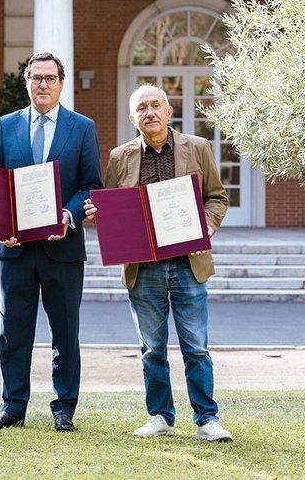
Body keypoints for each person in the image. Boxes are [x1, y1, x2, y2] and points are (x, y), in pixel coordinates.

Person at [83, 84, 231, 441]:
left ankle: (207, 419)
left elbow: (217, 197)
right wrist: (95, 216)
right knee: (151, 349)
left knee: (195, 346)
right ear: (132, 118)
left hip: (187, 263)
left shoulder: (197, 148)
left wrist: (207, 227)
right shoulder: (121, 157)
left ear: (169, 111)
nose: (149, 113)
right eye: (141, 108)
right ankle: (161, 416)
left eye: (155, 106)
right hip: (143, 267)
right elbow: (113, 210)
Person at [0, 52, 102, 432]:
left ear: (61, 83)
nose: (43, 85)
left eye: (50, 78)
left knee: (65, 332)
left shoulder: (81, 127)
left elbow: (91, 185)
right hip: (15, 248)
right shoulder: (7, 125)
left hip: (62, 246)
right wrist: (4, 228)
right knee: (13, 331)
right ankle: (13, 406)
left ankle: (64, 408)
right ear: (27, 82)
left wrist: (68, 215)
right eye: (36, 78)